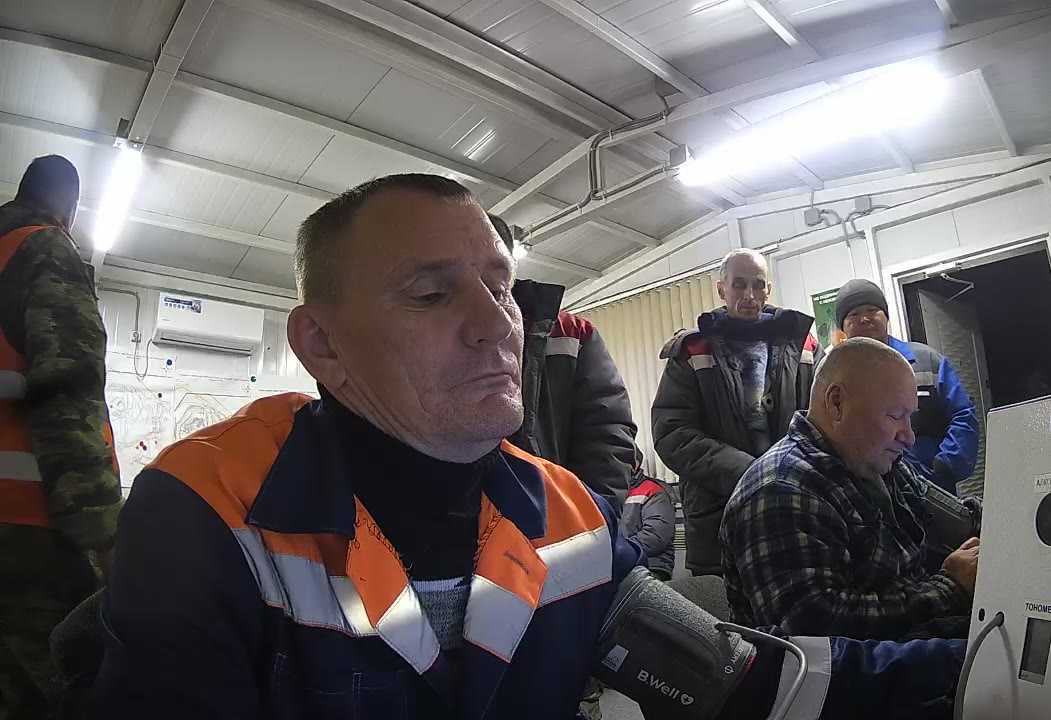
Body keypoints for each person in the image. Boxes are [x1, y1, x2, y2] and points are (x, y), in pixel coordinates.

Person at [92, 174, 970, 719]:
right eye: (431, 294)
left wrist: (995, 665)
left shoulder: (568, 519)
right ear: (321, 344)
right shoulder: (210, 513)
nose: (497, 324)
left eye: (501, 286)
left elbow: (746, 681)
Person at [720, 338, 980, 642]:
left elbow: (957, 519)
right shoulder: (778, 491)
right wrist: (950, 590)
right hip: (855, 669)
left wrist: (1006, 526)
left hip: (912, 646)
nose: (909, 436)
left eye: (910, 417)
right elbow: (817, 631)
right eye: (895, 415)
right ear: (837, 403)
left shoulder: (879, 464)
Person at [0, 155, 123, 719]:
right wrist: (105, 536)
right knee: (62, 694)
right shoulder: (44, 249)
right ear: (70, 208)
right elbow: (67, 396)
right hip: (30, 537)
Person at [652, 248, 821, 576]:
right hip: (719, 521)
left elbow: (825, 420)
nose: (749, 295)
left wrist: (792, 473)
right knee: (724, 606)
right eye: (739, 284)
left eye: (757, 285)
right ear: (721, 289)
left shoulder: (805, 347)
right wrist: (750, 472)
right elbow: (672, 433)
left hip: (796, 513)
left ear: (768, 289)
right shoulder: (693, 350)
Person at [488, 214, 636, 510]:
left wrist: (590, 515)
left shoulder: (573, 334)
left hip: (558, 517)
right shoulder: (431, 332)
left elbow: (607, 434)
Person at [835, 279, 979, 493]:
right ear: (843, 328)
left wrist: (946, 465)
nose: (864, 318)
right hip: (869, 494)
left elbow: (963, 414)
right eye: (854, 314)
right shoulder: (835, 375)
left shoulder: (926, 361)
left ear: (886, 316)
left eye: (872, 310)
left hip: (933, 488)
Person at [622, 451, 675, 581]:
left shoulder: (654, 491)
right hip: (621, 564)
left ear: (635, 464)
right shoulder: (610, 493)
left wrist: (618, 550)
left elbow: (655, 538)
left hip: (650, 565)